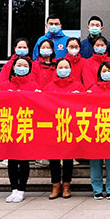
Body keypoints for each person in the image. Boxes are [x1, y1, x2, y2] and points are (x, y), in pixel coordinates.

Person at [0, 56, 38, 204]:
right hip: (9, 125)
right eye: (19, 65)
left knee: (24, 160)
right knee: (12, 160)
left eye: (25, 65)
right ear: (13, 67)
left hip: (25, 125)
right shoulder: (4, 85)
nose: (22, 68)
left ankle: (21, 189)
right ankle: (13, 188)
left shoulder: (34, 86)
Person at [44, 58, 81, 199]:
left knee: (68, 158)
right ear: (56, 69)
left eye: (66, 67)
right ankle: (55, 185)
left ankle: (66, 185)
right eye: (61, 67)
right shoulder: (48, 87)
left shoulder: (77, 86)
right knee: (53, 157)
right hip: (54, 126)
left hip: (70, 126)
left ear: (71, 69)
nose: (63, 70)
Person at [88, 62, 110, 199]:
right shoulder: (93, 89)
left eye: (109, 70)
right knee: (95, 162)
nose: (106, 73)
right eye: (104, 71)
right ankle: (97, 189)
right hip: (95, 130)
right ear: (99, 74)